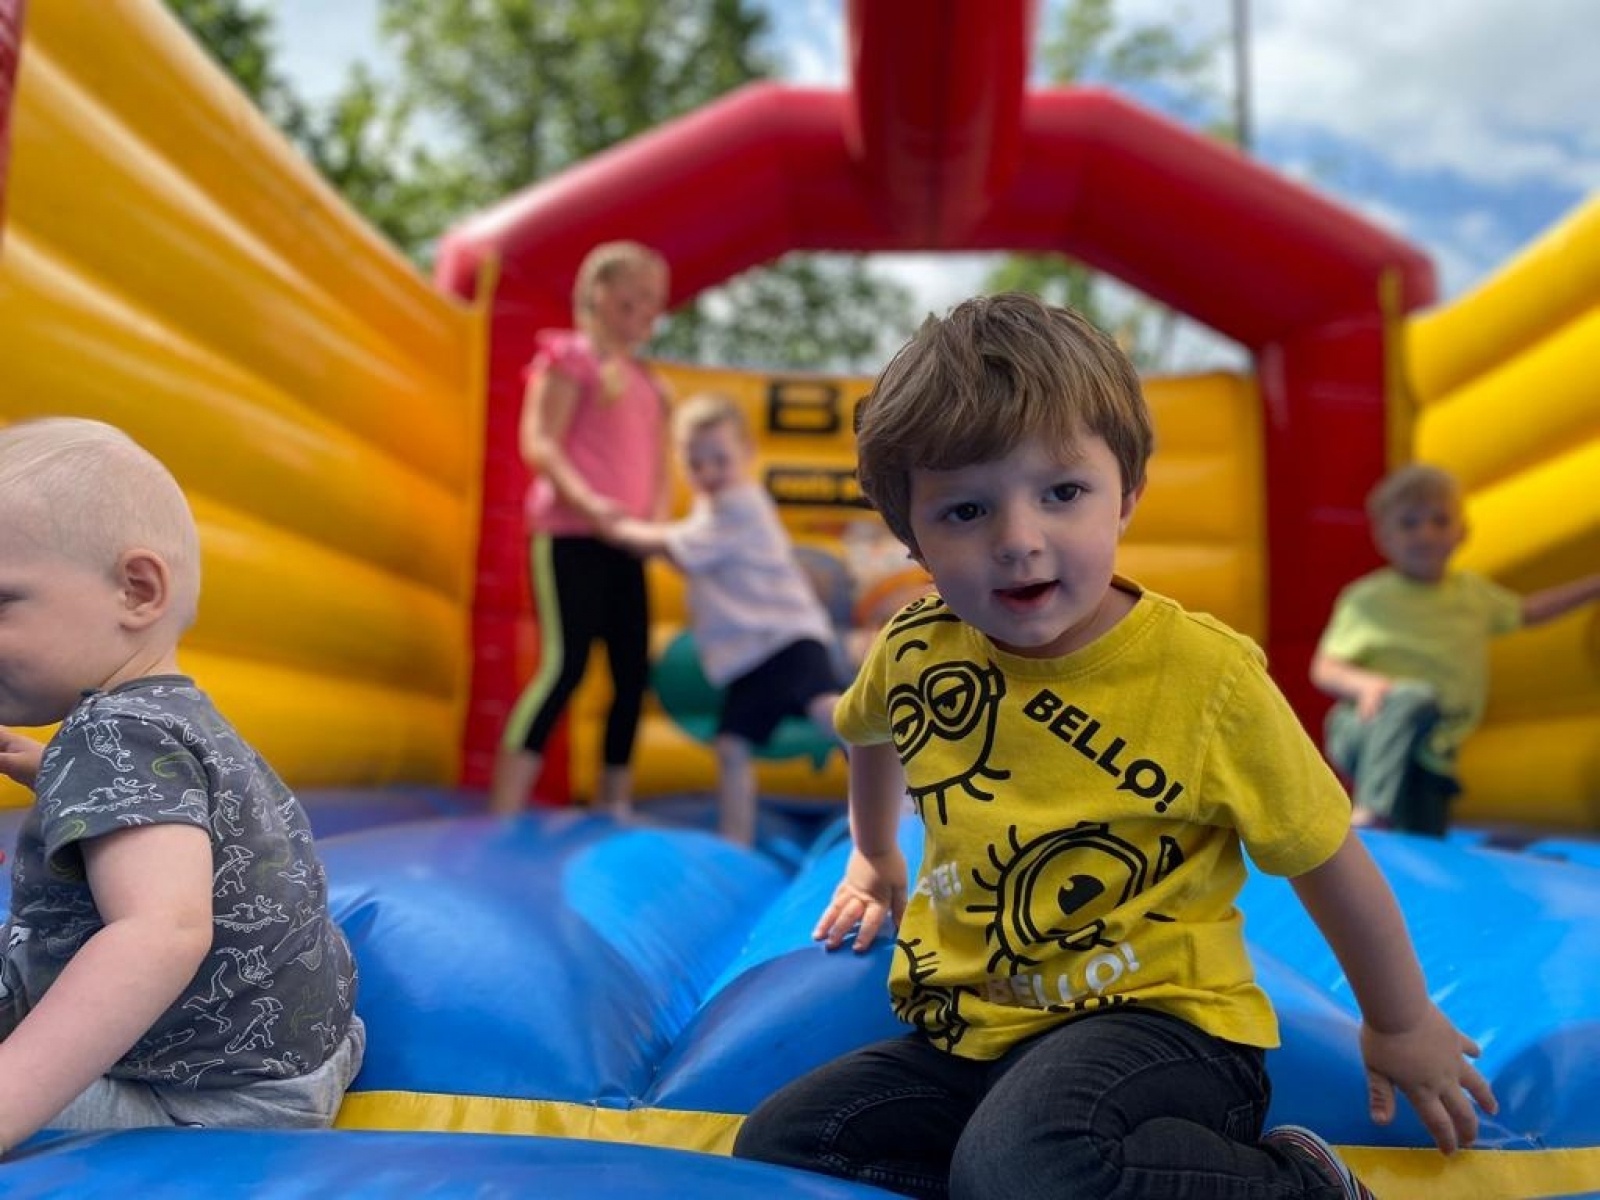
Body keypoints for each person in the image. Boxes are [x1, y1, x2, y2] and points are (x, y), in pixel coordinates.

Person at [732, 294, 1497, 1200]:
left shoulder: (1203, 678)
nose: (1020, 542)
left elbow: (1324, 854)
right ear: (913, 537)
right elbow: (866, 731)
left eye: (1063, 493)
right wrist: (870, 856)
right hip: (981, 1028)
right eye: (966, 511)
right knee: (787, 1137)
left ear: (1126, 491)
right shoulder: (916, 647)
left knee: (1021, 1166)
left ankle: (1301, 1187)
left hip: (1164, 1026)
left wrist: (1400, 1024)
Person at [0, 417, 363, 1153]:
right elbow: (164, 810)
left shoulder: (112, 733)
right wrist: (32, 760)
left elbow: (162, 931)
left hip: (199, 1096)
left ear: (137, 589)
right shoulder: (176, 712)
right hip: (304, 1054)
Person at [604, 392, 842, 846]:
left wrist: (617, 529)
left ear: (748, 453)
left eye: (720, 459)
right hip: (756, 653)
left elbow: (676, 546)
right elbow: (692, 555)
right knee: (732, 745)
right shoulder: (711, 510)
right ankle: (737, 840)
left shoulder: (741, 504)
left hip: (786, 637)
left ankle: (894, 768)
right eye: (696, 464)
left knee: (828, 712)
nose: (709, 473)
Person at [1311, 463, 1600, 836]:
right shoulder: (1368, 599)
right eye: (1409, 523)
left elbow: (1530, 611)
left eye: (1440, 520)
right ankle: (1370, 811)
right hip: (1364, 732)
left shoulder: (1473, 595)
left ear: (1462, 532)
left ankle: (1396, 830)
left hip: (1431, 749)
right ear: (1383, 537)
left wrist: (1592, 586)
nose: (1425, 533)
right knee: (1412, 697)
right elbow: (1325, 668)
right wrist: (1366, 685)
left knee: (1424, 836)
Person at [491, 240, 673, 818]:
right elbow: (540, 441)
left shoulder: (650, 384)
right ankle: (506, 803)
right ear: (598, 294)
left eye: (653, 302)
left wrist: (656, 526)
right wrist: (591, 503)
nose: (645, 311)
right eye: (633, 297)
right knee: (566, 665)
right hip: (572, 535)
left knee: (630, 673)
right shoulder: (569, 357)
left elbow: (658, 468)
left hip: (628, 544)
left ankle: (613, 801)